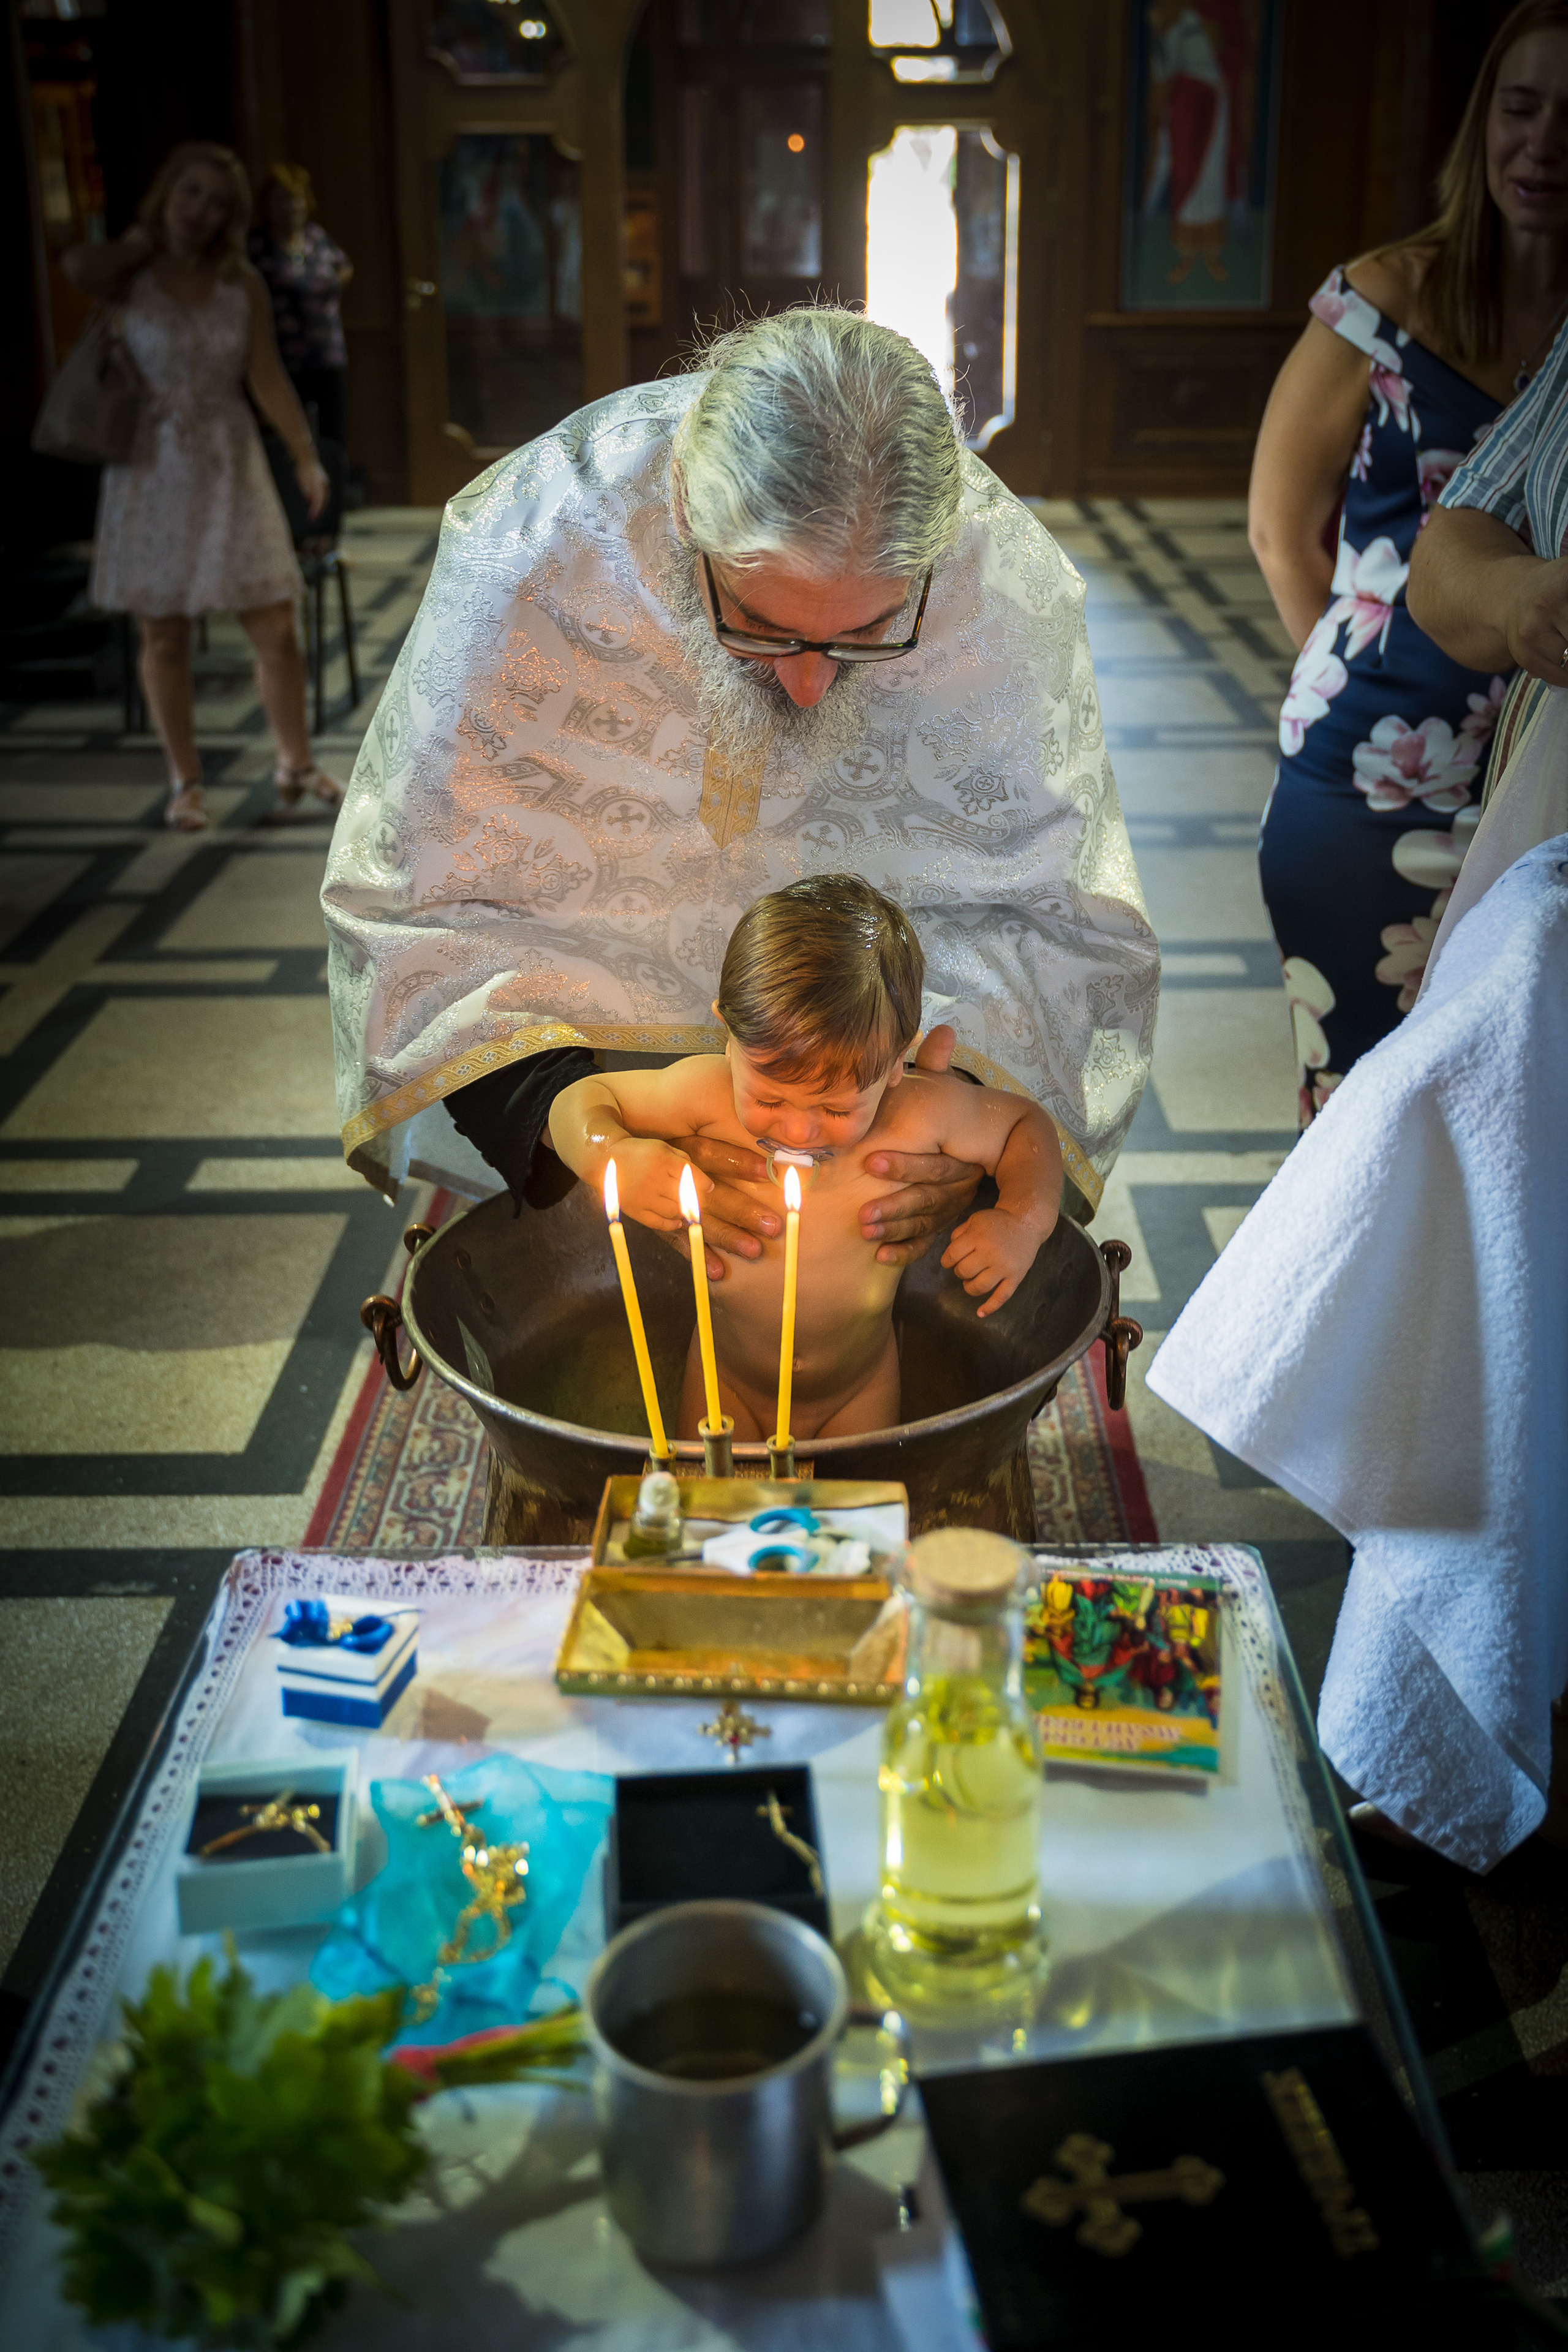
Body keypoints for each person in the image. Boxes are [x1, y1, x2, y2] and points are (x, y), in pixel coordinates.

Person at [323, 306, 1158, 1286]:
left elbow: (1054, 919)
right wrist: (573, 1126)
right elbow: (429, 907)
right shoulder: (537, 548)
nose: (807, 686)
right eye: (760, 624)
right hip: (597, 1120)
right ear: (684, 507)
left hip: (877, 1121)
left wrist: (943, 1132)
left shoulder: (1000, 589)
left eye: (868, 634)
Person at [1247, 0, 1568, 1123]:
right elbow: (1281, 531)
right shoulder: (1383, 301)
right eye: (1521, 109)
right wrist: (1358, 683)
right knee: (1356, 1115)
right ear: (1483, 126)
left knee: (1499, 1120)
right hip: (1371, 771)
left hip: (1538, 778)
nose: (1545, 145)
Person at [546, 876, 1064, 1442]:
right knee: (710, 1495)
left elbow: (1025, 1126)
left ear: (898, 1061)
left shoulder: (920, 1115)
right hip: (726, 1381)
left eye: (836, 1108)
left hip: (858, 1390)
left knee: (858, 1495)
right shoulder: (704, 1095)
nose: (797, 1130)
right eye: (769, 1099)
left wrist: (1021, 1220)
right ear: (728, 1034)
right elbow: (581, 1099)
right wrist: (611, 1153)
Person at [63, 141, 342, 831]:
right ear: (167, 192)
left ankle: (295, 763)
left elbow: (265, 373)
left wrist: (304, 455)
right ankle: (185, 781)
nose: (202, 211)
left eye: (218, 202)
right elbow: (77, 268)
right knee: (165, 633)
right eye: (191, 192)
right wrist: (141, 242)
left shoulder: (240, 282)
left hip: (229, 459)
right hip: (151, 464)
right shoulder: (128, 273)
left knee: (275, 623)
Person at [248, 164, 352, 450]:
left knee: (333, 433)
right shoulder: (257, 244)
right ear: (267, 204)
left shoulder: (316, 237)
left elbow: (345, 266)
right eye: (281, 199)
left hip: (326, 352)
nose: (290, 207)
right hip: (281, 356)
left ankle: (332, 477)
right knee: (286, 434)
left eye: (296, 199)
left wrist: (333, 287)